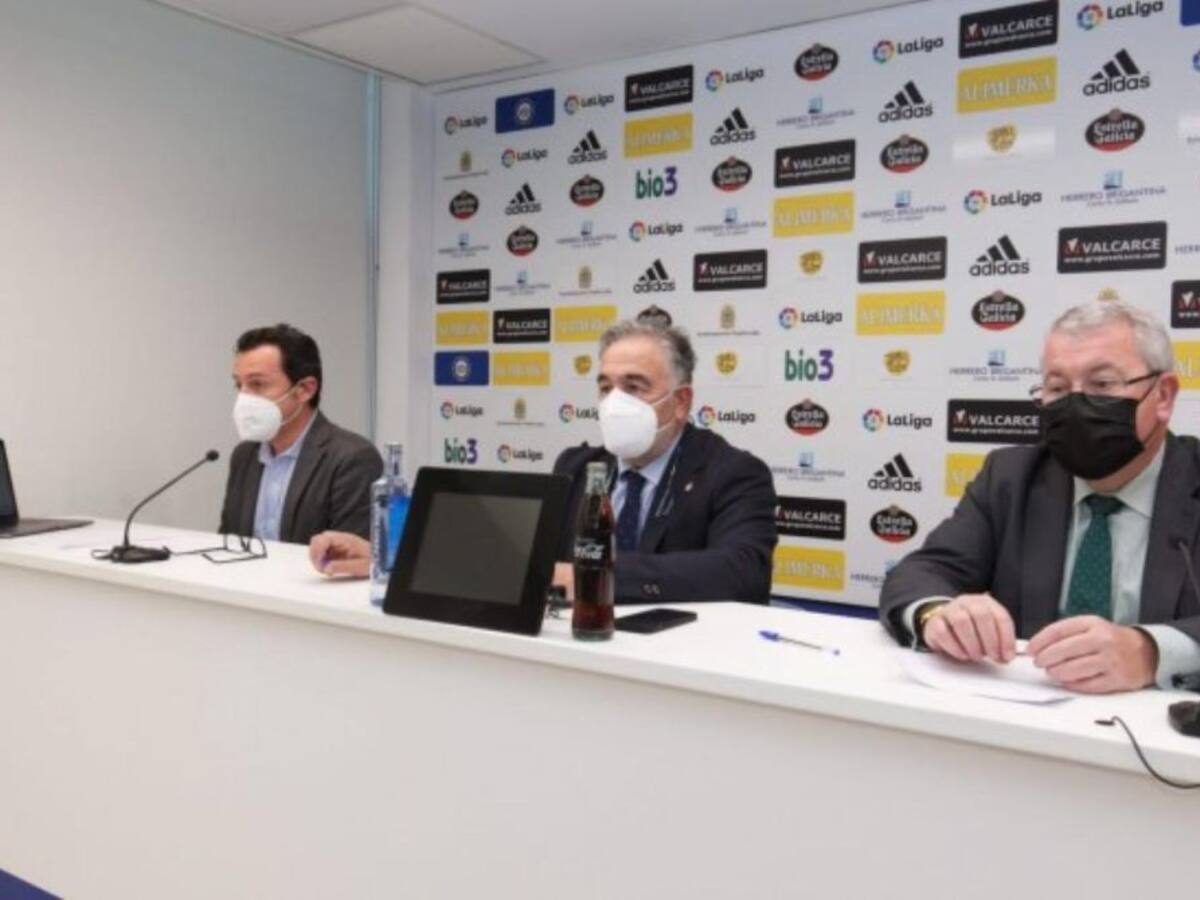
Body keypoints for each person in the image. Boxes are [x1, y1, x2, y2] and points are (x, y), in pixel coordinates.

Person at [880, 301, 1200, 693]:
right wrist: (940, 614)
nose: (1076, 405)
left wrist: (1151, 652)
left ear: (1163, 395)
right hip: (1027, 717)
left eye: (1102, 384)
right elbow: (921, 573)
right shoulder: (1011, 476)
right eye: (1058, 388)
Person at [551, 319, 777, 604]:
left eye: (634, 387)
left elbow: (743, 574)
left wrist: (594, 577)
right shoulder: (575, 468)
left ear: (681, 401)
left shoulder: (733, 473)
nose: (614, 404)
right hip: (580, 629)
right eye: (606, 388)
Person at [220, 323, 382, 545]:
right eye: (239, 385)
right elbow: (230, 541)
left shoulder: (351, 458)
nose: (244, 397)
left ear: (305, 389)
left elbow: (349, 555)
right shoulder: (245, 454)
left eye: (257, 384)